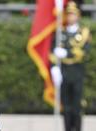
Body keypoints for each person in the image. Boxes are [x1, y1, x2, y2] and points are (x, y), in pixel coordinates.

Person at [50, 1, 91, 131]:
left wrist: (66, 52)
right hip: (64, 72)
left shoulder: (83, 33)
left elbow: (83, 53)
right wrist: (54, 67)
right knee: (66, 106)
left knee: (77, 106)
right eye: (68, 15)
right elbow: (52, 53)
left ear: (78, 16)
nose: (70, 17)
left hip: (77, 72)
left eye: (73, 14)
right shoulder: (59, 33)